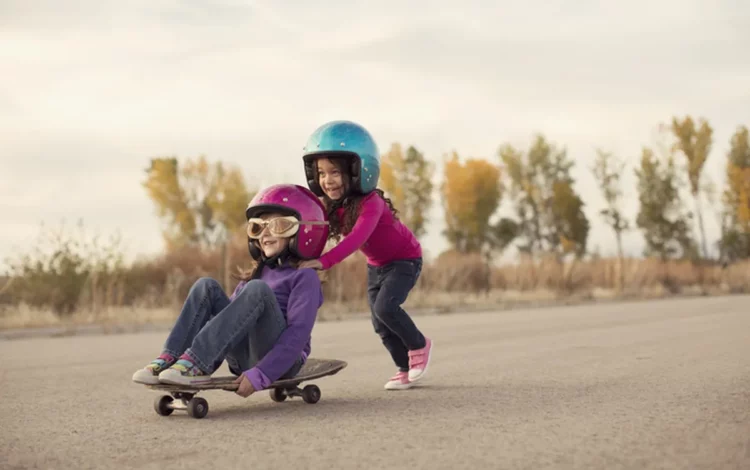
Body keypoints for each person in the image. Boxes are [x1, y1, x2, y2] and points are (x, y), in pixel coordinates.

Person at [132, 184, 329, 398]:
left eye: (278, 226)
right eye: (258, 227)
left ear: (304, 230)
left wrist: (262, 374)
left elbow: (297, 335)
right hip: (242, 358)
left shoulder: (304, 277)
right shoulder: (257, 275)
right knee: (205, 286)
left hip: (284, 363)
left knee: (257, 290)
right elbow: (229, 324)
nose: (265, 234)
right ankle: (172, 359)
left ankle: (196, 362)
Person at [298, 120, 433, 391]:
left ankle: (419, 345)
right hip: (377, 266)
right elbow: (314, 230)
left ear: (359, 169)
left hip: (405, 260)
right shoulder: (334, 205)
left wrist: (323, 262)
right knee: (379, 323)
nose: (327, 180)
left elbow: (356, 239)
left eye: (334, 172)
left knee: (386, 308)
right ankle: (404, 369)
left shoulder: (372, 203)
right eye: (321, 173)